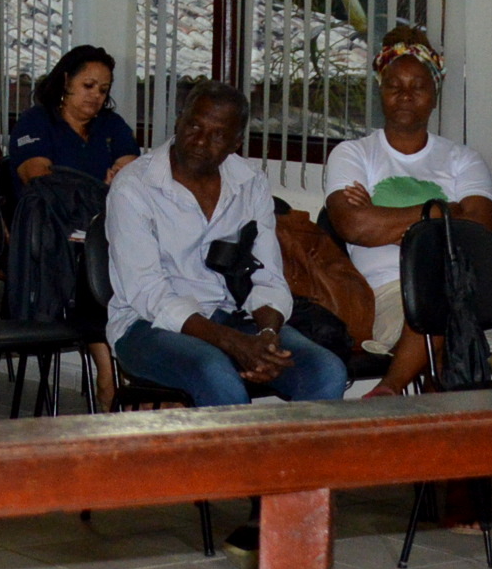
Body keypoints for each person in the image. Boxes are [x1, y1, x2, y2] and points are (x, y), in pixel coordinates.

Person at [107, 80, 348, 408]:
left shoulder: (250, 183)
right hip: (147, 326)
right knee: (216, 372)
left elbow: (268, 277)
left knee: (326, 371)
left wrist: (265, 338)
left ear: (236, 142)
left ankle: (287, 461)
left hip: (233, 318)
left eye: (217, 134)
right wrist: (232, 344)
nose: (200, 141)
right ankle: (238, 460)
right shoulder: (134, 187)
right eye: (193, 125)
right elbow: (147, 292)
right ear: (179, 121)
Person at [323, 26, 492, 395]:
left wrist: (390, 222)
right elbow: (354, 225)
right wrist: (442, 213)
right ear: (380, 92)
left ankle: (389, 393)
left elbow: (480, 227)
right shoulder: (353, 154)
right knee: (445, 323)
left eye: (417, 86)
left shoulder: (462, 159)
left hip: (465, 287)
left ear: (434, 95)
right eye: (393, 85)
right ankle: (400, 398)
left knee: (450, 309)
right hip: (389, 293)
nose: (405, 95)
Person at [6, 44, 140, 185]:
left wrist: (119, 182)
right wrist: (96, 192)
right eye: (88, 85)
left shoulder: (112, 123)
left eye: (103, 90)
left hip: (109, 206)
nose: (96, 95)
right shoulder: (35, 121)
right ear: (66, 81)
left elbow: (131, 173)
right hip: (51, 206)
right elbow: (39, 180)